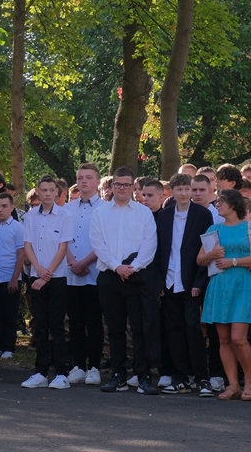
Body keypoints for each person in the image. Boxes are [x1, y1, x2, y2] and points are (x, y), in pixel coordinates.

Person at [89, 166, 159, 394]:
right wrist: (116, 266)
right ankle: (118, 375)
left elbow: (150, 244)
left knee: (139, 328)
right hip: (109, 276)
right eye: (118, 184)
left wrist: (132, 267)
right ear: (111, 186)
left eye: (127, 185)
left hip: (136, 277)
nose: (122, 188)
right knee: (115, 328)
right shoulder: (100, 213)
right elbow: (98, 244)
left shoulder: (143, 213)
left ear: (133, 186)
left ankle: (143, 375)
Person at [197, 189, 251, 401]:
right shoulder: (214, 229)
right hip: (219, 285)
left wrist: (233, 261)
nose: (217, 205)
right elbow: (200, 260)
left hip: (243, 284)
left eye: (221, 201)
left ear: (234, 204)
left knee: (238, 338)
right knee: (223, 340)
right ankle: (233, 385)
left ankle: (249, 383)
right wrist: (212, 254)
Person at [155, 173, 213, 395]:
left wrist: (199, 281)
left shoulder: (203, 214)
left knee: (193, 329)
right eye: (179, 189)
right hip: (169, 281)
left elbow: (207, 250)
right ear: (172, 191)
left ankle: (202, 378)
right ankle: (180, 378)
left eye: (187, 189)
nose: (184, 193)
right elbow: (159, 250)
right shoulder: (164, 216)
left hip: (191, 282)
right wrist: (160, 282)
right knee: (173, 330)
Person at [20, 176, 74, 390]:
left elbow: (63, 248)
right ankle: (40, 372)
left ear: (57, 192)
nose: (48, 194)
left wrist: (47, 274)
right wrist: (38, 271)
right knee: (40, 326)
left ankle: (61, 373)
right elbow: (28, 245)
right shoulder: (31, 216)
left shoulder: (65, 216)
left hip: (57, 278)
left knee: (57, 326)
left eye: (52, 190)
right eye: (44, 190)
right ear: (38, 192)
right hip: (36, 276)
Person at [65, 163, 105, 385]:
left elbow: (104, 242)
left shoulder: (106, 209)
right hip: (72, 274)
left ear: (97, 181)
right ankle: (78, 365)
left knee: (94, 322)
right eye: (80, 177)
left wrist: (84, 262)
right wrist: (73, 262)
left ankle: (94, 366)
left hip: (95, 273)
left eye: (89, 177)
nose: (83, 181)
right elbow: (63, 239)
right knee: (75, 322)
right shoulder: (67, 209)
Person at [0, 193, 24, 359]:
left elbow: (21, 254)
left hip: (9, 275)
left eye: (4, 206)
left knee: (9, 313)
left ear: (11, 208)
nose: (0, 209)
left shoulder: (17, 228)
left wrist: (15, 278)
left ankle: (9, 346)